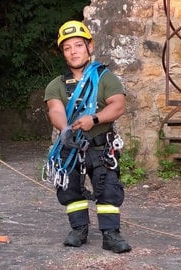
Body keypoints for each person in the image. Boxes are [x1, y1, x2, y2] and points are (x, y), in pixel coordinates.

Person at [43, 20, 131, 253]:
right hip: (70, 146)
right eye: (68, 47)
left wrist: (93, 119)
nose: (73, 51)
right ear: (63, 53)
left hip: (100, 146)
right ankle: (79, 229)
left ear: (89, 46)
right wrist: (66, 129)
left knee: (108, 188)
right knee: (70, 189)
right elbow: (55, 109)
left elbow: (118, 105)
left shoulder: (105, 78)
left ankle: (111, 234)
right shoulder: (56, 85)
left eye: (78, 45)